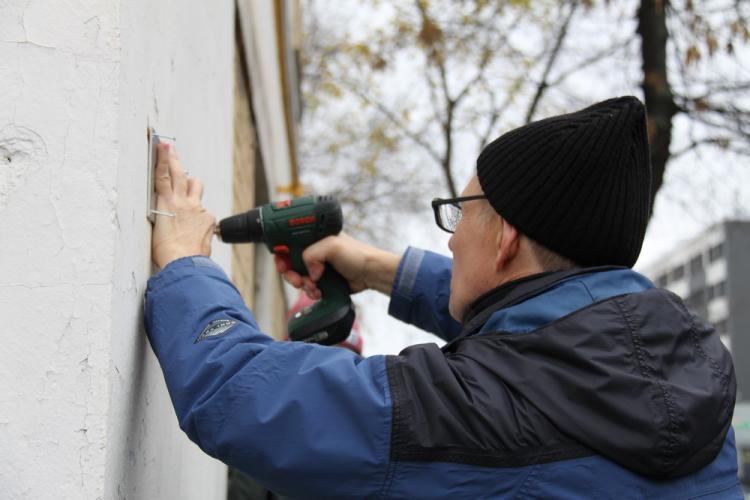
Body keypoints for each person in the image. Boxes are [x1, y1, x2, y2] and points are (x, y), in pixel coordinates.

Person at [145, 96, 742, 498]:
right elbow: (542, 335)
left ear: (505, 237)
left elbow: (242, 400)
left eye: (462, 213)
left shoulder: (476, 414)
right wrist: (380, 270)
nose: (453, 239)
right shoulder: (690, 370)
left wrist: (187, 265)